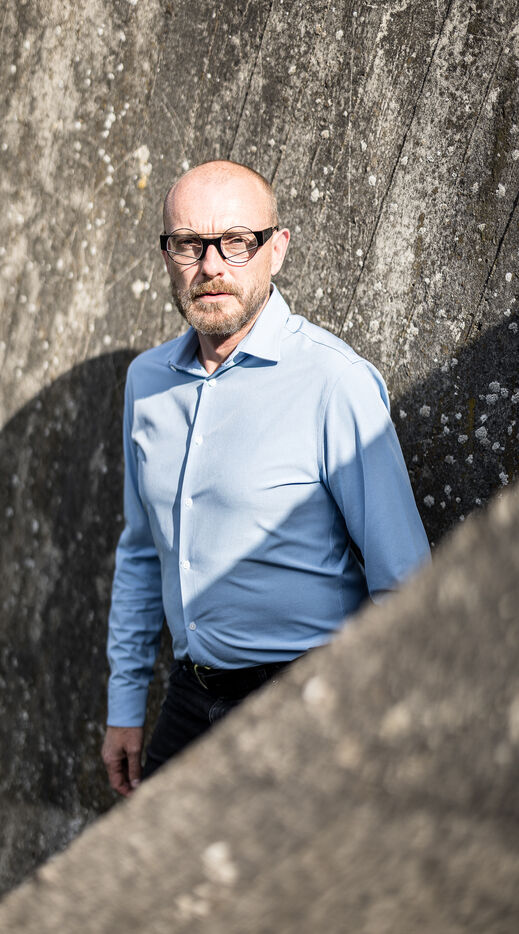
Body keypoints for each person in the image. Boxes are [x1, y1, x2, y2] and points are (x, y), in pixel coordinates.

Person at [101, 160, 430, 797]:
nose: (211, 266)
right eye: (189, 244)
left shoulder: (334, 383)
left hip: (306, 708)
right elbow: (141, 552)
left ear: (276, 249)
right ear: (167, 256)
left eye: (236, 241)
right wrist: (124, 705)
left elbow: (405, 582)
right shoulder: (147, 383)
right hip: (188, 700)